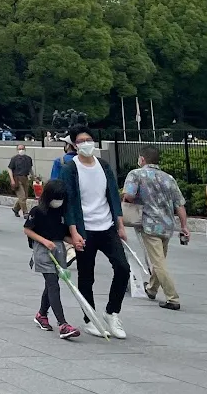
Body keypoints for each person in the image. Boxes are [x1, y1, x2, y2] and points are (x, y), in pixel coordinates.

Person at [60, 127, 130, 339]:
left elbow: (113, 196)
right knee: (86, 276)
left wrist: (120, 224)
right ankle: (90, 318)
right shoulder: (70, 169)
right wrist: (73, 232)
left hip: (106, 226)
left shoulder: (104, 166)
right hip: (84, 230)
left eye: (89, 139)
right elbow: (69, 202)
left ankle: (111, 312)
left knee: (122, 268)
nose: (86, 143)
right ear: (74, 145)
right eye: (81, 141)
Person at [122, 146, 189, 310]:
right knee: (160, 259)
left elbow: (129, 196)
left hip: (149, 224)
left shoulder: (136, 174)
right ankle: (151, 289)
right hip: (167, 225)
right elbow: (179, 204)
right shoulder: (169, 178)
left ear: (142, 159)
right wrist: (184, 226)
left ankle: (172, 297)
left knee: (158, 262)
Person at [24, 179, 80, 339]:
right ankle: (62, 324)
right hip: (43, 251)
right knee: (53, 284)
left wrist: (75, 242)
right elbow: (27, 230)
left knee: (51, 284)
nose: (59, 201)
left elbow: (61, 234)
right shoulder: (37, 211)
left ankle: (41, 314)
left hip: (58, 250)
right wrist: (44, 241)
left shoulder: (61, 212)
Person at [8, 143, 34, 217]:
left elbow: (30, 169)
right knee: (22, 196)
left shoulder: (29, 158)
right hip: (17, 178)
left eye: (22, 148)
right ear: (17, 150)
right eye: (19, 149)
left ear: (25, 149)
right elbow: (10, 169)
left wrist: (34, 177)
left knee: (25, 196)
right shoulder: (14, 159)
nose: (21, 150)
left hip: (25, 178)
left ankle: (16, 209)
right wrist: (12, 179)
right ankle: (25, 212)